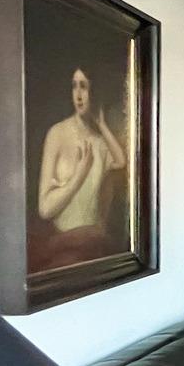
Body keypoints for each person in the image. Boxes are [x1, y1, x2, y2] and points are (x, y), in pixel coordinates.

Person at [36, 65, 127, 267]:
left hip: (93, 245)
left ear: (94, 92)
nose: (78, 95)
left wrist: (102, 125)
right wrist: (79, 175)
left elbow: (121, 161)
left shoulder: (100, 142)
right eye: (74, 86)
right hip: (64, 246)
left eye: (84, 87)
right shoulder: (57, 134)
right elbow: (45, 209)